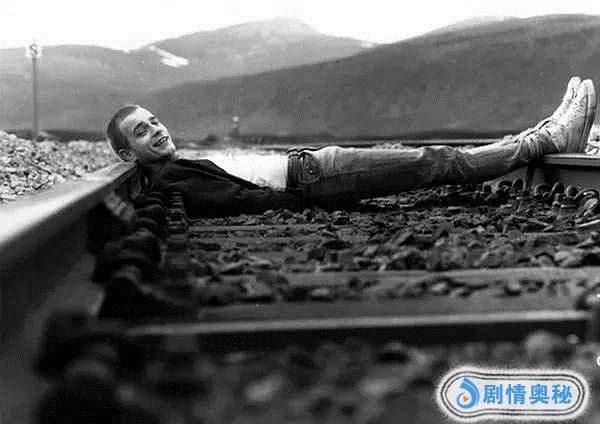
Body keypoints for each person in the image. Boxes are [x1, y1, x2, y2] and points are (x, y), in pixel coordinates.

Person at [106, 77, 597, 218]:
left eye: (154, 121)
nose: (157, 131)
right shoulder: (172, 177)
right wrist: (305, 201)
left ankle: (538, 136)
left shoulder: (173, 167)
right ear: (128, 154)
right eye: (142, 132)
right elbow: (240, 200)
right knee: (437, 161)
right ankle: (545, 139)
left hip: (312, 167)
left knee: (433, 160)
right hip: (313, 176)